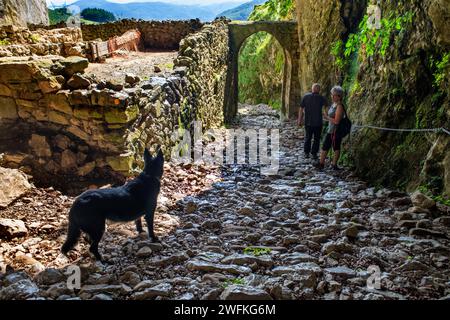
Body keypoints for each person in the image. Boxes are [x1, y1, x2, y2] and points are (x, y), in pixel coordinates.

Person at [317, 86, 345, 170]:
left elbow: (337, 121)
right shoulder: (334, 104)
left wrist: (326, 117)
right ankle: (322, 164)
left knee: (335, 147)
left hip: (336, 130)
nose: (332, 97)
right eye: (332, 95)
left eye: (334, 95)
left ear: (339, 96)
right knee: (326, 146)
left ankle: (333, 164)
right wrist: (326, 115)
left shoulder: (339, 106)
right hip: (331, 129)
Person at [298, 83, 328, 160]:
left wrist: (300, 120)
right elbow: (325, 109)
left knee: (308, 137)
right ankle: (314, 153)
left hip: (308, 122)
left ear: (312, 89)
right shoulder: (322, 98)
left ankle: (306, 153)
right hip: (318, 123)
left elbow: (301, 109)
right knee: (317, 139)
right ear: (319, 90)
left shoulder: (306, 97)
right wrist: (327, 117)